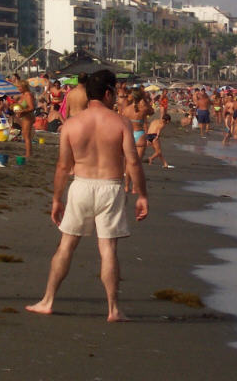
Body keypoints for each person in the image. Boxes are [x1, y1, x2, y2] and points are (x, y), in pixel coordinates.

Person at [26, 70, 148, 321]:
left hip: (81, 186)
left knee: (66, 246)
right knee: (108, 250)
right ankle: (113, 309)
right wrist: (141, 195)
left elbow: (62, 166)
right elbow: (133, 162)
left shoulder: (71, 124)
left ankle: (48, 300)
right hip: (111, 186)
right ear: (107, 93)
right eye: (114, 92)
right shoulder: (120, 123)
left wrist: (57, 199)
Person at [14, 79, 36, 158]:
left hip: (28, 117)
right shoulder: (23, 95)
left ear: (24, 87)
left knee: (26, 136)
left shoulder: (28, 95)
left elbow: (32, 107)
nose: (18, 89)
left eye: (20, 87)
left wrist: (23, 111)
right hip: (24, 117)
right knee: (25, 135)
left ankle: (28, 154)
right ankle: (29, 153)